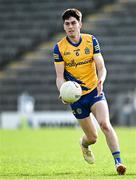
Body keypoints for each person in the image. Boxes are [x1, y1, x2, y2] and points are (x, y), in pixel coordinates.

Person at [53, 8, 126, 175]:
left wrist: (101, 79)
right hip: (76, 98)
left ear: (80, 24)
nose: (70, 26)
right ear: (64, 26)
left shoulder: (91, 41)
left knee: (105, 125)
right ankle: (84, 144)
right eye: (67, 24)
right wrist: (62, 91)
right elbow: (59, 76)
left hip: (94, 91)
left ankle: (118, 163)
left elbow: (101, 67)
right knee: (93, 137)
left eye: (73, 23)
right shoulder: (59, 48)